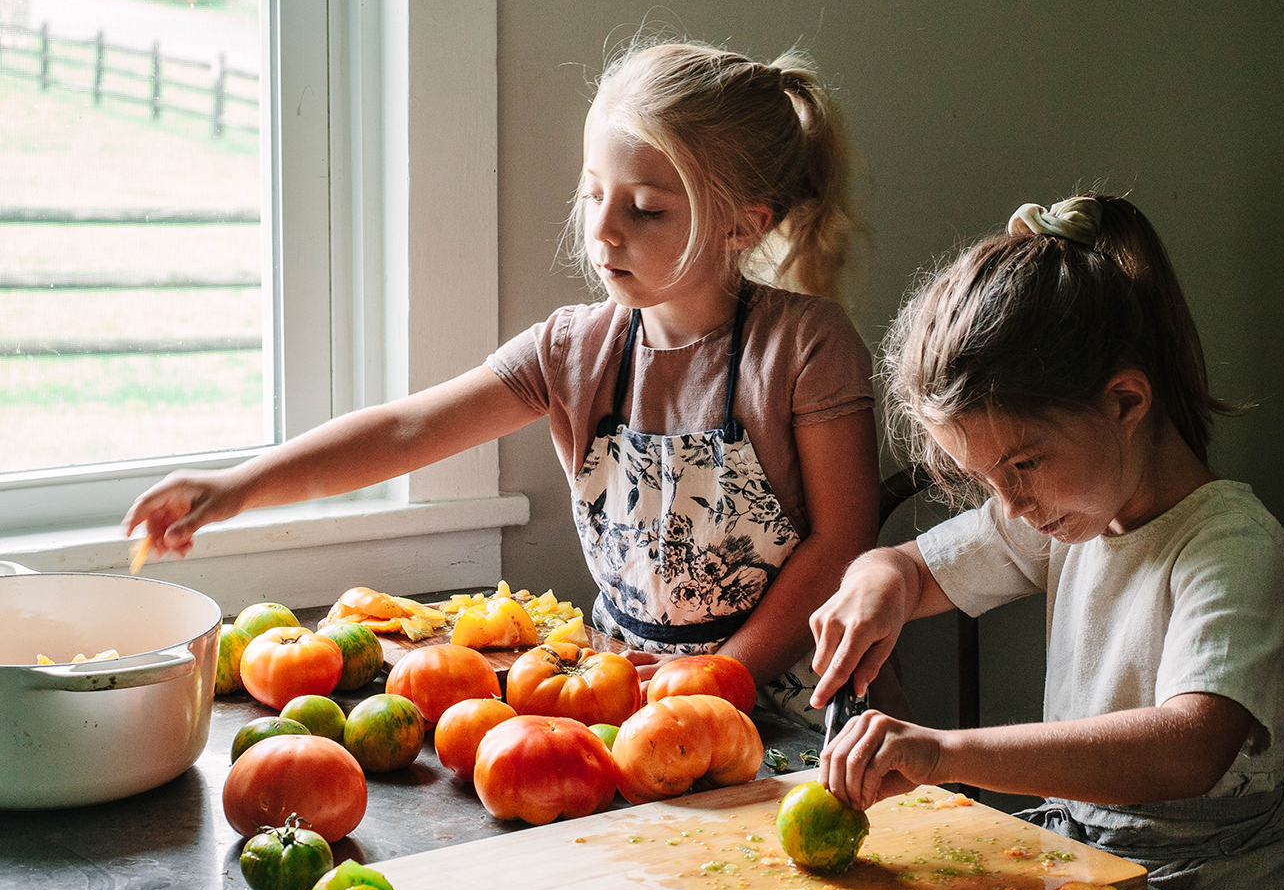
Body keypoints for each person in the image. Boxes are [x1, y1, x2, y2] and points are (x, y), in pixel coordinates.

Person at [808, 193, 1284, 890]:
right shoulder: (1074, 510)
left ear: (1126, 400)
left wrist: (938, 755)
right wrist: (874, 578)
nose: (1010, 505)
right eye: (984, 480)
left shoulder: (1227, 546)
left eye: (1020, 466)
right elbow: (917, 564)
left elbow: (1188, 744)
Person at [126, 39, 878, 723]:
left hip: (801, 707)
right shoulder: (572, 351)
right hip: (624, 701)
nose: (604, 230)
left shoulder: (806, 346)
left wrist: (715, 679)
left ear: (742, 225)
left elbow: (841, 544)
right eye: (593, 194)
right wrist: (237, 487)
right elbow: (408, 429)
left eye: (646, 208)